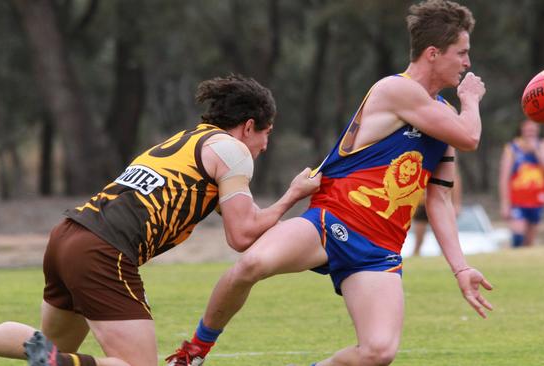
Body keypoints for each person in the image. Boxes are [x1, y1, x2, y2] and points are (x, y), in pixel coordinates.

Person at [166, 1, 493, 365]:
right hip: (328, 222)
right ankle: (193, 352)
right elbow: (471, 137)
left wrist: (461, 268)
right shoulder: (395, 90)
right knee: (251, 265)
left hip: (378, 250)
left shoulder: (444, 118)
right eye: (461, 53)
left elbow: (440, 201)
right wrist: (472, 100)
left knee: (379, 352)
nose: (467, 63)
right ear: (433, 54)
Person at [0, 75, 321, 366]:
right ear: (248, 127)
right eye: (266, 134)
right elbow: (241, 236)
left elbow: (245, 220)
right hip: (104, 250)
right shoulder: (235, 151)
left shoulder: (189, 142)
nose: (265, 145)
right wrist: (292, 195)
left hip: (68, 236)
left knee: (48, 347)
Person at [498, 118, 544, 248]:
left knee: (530, 241)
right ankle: (513, 259)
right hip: (517, 200)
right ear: (521, 129)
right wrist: (504, 203)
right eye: (528, 129)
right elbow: (504, 177)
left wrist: (536, 151)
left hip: (537, 199)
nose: (531, 132)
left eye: (534, 129)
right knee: (518, 235)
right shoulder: (512, 148)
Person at [412, 167, 462, 256]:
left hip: (439, 202)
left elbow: (454, 178)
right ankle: (416, 255)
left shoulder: (445, 157)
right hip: (421, 202)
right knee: (418, 240)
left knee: (444, 238)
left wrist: (456, 203)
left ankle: (448, 258)